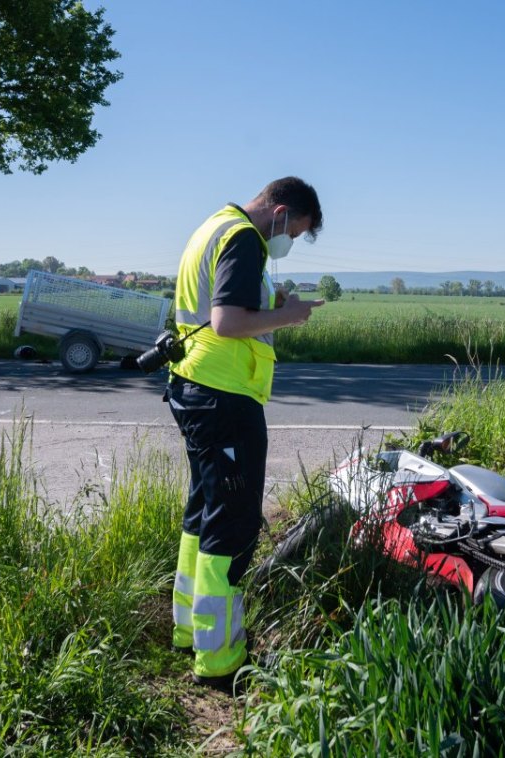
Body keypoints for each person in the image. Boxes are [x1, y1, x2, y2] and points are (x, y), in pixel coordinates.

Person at [165, 176, 324, 693]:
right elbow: (227, 321)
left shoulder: (213, 226)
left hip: (196, 386)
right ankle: (222, 660)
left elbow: (223, 304)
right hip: (224, 396)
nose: (290, 243)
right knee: (232, 527)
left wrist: (271, 302)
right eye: (294, 232)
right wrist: (289, 315)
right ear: (279, 212)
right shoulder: (243, 239)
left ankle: (190, 631)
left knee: (203, 513)